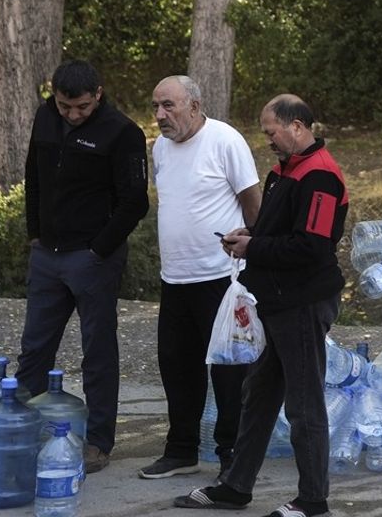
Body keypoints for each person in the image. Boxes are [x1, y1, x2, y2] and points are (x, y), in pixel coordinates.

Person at [175, 95, 347, 517]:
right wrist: (247, 234)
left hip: (303, 302)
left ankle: (313, 500)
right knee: (259, 394)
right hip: (273, 300)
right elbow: (277, 228)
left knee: (303, 403)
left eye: (271, 131)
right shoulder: (282, 171)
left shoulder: (320, 176)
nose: (267, 139)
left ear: (297, 127)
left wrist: (256, 245)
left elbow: (311, 245)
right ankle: (235, 486)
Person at [16, 59, 150, 474]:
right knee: (34, 348)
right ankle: (21, 428)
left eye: (83, 108)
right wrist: (34, 232)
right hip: (47, 255)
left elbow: (135, 202)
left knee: (97, 352)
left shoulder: (123, 133)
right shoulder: (44, 117)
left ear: (99, 95)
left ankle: (98, 441)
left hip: (92, 259)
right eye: (64, 106)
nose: (73, 115)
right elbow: (33, 176)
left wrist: (99, 250)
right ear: (53, 97)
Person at [139, 76, 261, 480]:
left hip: (221, 277)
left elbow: (252, 205)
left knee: (228, 371)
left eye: (169, 106)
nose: (160, 115)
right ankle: (181, 450)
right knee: (176, 365)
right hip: (175, 277)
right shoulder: (160, 149)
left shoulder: (225, 140)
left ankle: (231, 456)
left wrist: (258, 251)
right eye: (156, 106)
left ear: (194, 104)